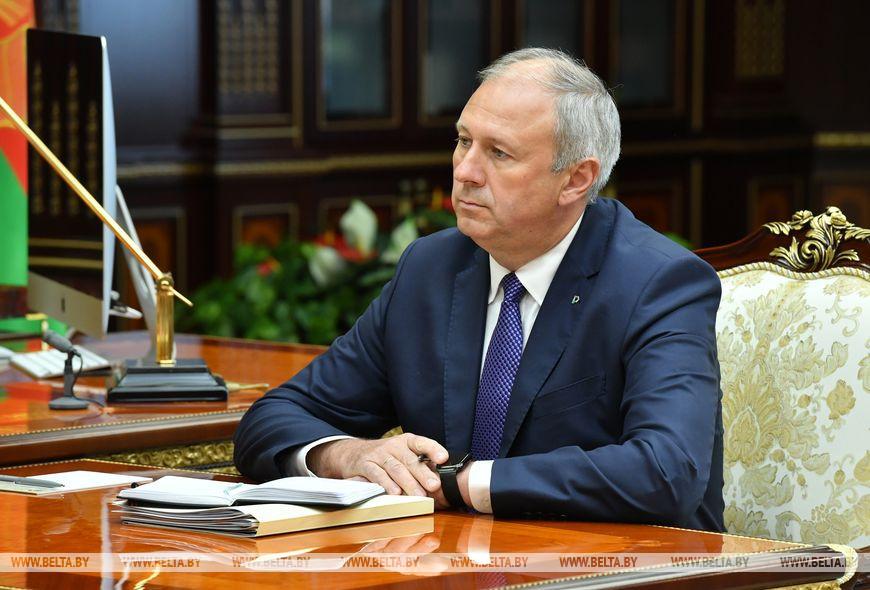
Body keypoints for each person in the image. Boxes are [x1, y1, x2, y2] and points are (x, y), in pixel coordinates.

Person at [234, 48, 724, 532]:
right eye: (464, 141)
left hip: (624, 563)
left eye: (498, 153)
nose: (465, 171)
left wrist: (464, 483)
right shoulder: (430, 269)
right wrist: (348, 455)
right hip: (450, 558)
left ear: (577, 179)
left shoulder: (658, 283)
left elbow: (667, 470)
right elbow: (273, 418)